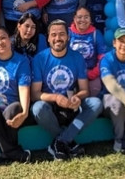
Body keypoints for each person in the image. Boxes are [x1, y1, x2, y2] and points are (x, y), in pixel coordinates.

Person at [31, 19, 103, 161]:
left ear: (68, 36)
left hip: (71, 105)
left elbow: (84, 90)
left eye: (62, 34)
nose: (58, 38)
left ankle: (61, 142)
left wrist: (77, 97)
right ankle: (67, 140)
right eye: (54, 35)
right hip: (50, 107)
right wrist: (56, 98)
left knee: (96, 103)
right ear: (48, 38)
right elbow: (35, 94)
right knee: (38, 108)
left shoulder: (77, 57)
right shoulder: (40, 58)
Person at [0, 26, 32, 164]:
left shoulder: (21, 61)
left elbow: (23, 88)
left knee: (14, 108)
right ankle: (12, 152)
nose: (0, 42)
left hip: (11, 107)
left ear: (10, 39)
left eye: (3, 38)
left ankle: (6, 153)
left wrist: (25, 112)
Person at [68, 7, 107, 97]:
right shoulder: (67, 33)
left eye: (86, 17)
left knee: (95, 88)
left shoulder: (96, 33)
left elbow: (102, 57)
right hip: (71, 72)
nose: (83, 20)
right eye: (79, 17)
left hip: (90, 72)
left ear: (90, 19)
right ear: (74, 19)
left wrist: (93, 73)